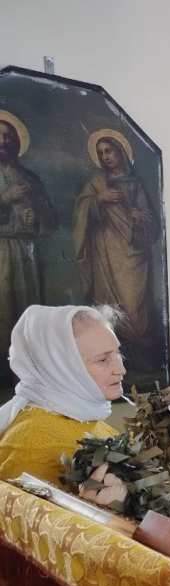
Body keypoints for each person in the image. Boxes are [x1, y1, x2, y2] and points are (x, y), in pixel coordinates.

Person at [0, 305, 123, 486]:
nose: (120, 369)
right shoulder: (32, 444)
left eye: (118, 354)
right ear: (60, 367)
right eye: (103, 359)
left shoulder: (92, 422)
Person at [73, 130, 158, 357]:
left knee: (133, 302)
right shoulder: (96, 183)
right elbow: (81, 211)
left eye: (109, 151)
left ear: (120, 152)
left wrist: (139, 217)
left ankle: (139, 349)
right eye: (101, 153)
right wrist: (99, 199)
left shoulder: (135, 184)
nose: (105, 157)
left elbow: (150, 220)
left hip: (133, 251)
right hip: (104, 251)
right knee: (108, 303)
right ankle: (115, 349)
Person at [0, 112, 57, 387]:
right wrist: (4, 198)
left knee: (27, 314)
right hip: (1, 250)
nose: (4, 141)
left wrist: (38, 216)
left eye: (8, 136)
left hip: (28, 253)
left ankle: (24, 377)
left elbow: (51, 220)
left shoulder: (30, 178)